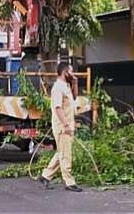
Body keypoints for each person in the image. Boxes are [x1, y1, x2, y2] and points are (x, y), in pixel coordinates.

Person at [37, 62, 82, 192]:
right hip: (63, 127)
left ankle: (45, 176)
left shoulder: (66, 86)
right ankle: (69, 182)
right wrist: (66, 124)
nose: (73, 74)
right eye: (71, 72)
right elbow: (57, 108)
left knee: (62, 152)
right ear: (65, 72)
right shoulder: (57, 88)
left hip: (68, 125)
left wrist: (75, 83)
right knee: (65, 154)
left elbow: (74, 97)